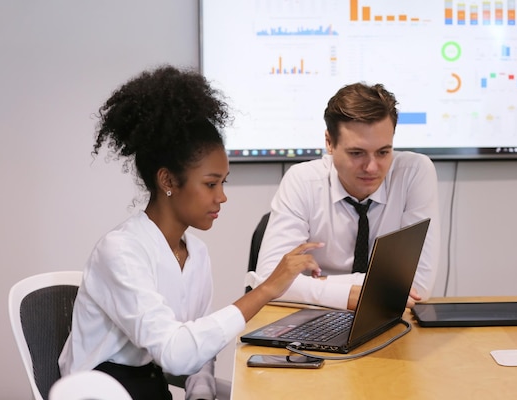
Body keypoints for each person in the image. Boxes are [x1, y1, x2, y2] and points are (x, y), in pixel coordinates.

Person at [58, 65, 322, 400]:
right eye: (211, 183)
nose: (221, 196)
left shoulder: (195, 253)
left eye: (223, 183)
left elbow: (197, 349)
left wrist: (201, 392)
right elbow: (175, 352)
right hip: (98, 392)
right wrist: (268, 288)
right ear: (168, 181)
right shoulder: (121, 251)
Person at [250, 82, 440, 311]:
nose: (372, 167)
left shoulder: (414, 173)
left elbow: (418, 287)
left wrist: (318, 285)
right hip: (310, 317)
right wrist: (354, 294)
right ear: (329, 143)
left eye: (383, 152)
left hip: (384, 318)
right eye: (357, 153)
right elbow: (269, 283)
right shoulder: (302, 180)